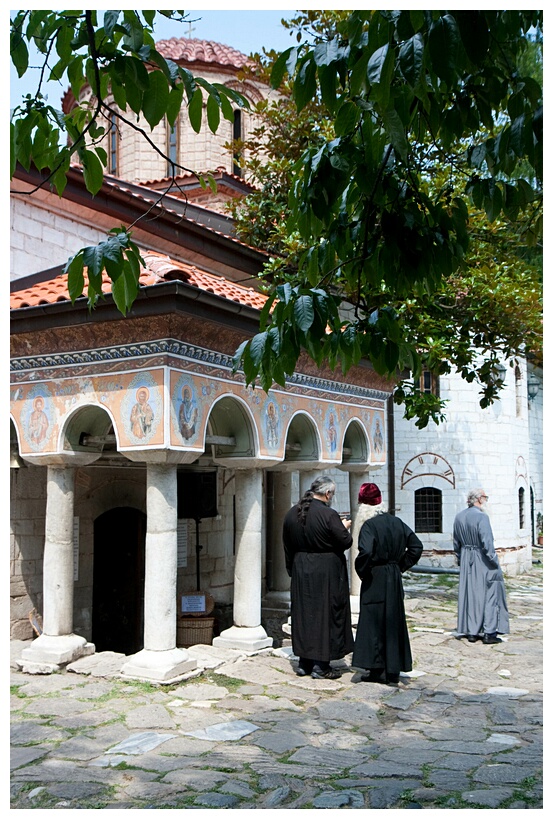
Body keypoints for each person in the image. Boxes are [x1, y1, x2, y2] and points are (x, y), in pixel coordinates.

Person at [283, 476, 354, 679]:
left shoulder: (291, 513)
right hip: (326, 571)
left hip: (301, 568)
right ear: (328, 493)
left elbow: (287, 545)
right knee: (326, 614)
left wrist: (292, 569)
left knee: (305, 615)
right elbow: (345, 541)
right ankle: (321, 665)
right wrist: (344, 527)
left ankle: (304, 663)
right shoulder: (328, 515)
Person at [352, 482, 423, 684]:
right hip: (393, 576)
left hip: (376, 576)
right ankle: (393, 669)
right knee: (393, 621)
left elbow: (365, 552)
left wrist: (363, 571)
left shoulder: (369, 525)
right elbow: (416, 547)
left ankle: (377, 669)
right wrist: (400, 566)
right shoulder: (397, 522)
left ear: (363, 505)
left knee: (374, 621)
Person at [453, 488, 509, 644]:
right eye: (485, 497)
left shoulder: (458, 517)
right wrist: (494, 561)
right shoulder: (482, 517)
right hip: (480, 558)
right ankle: (489, 632)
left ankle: (471, 631)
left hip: (466, 557)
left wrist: (460, 558)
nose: (486, 501)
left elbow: (456, 542)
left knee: (470, 594)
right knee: (490, 593)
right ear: (479, 499)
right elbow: (487, 542)